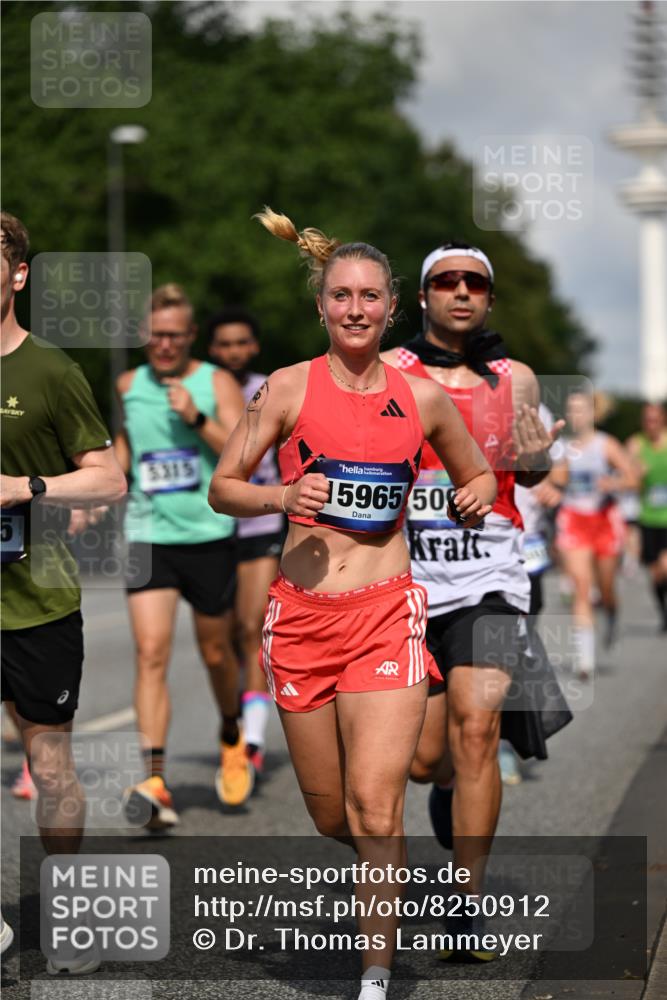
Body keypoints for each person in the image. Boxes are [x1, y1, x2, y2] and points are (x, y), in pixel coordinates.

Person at [208, 209, 497, 1000]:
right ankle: (390, 855)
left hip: (384, 610)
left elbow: (475, 474)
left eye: (370, 297)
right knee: (332, 817)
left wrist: (471, 497)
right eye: (341, 296)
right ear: (321, 306)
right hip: (300, 619)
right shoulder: (287, 389)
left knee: (376, 809)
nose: (356, 309)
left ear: (391, 307)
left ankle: (374, 976)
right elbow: (222, 487)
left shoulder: (423, 398)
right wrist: (280, 490)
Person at [383, 241, 565, 961]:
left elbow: (534, 465)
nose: (460, 292)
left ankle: (466, 901)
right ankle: (446, 789)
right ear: (422, 297)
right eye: (445, 281)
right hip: (406, 583)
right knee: (428, 760)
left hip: (490, 580)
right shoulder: (390, 372)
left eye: (474, 283)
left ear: (488, 298)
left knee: (477, 728)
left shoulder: (513, 377)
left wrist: (537, 455)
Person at [0, 211, 127, 972]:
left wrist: (26, 486)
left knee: (49, 769)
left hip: (37, 600)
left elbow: (107, 476)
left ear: (17, 274)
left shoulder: (51, 371)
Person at [114, 284, 248, 826]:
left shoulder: (214, 382)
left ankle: (231, 731)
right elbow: (127, 448)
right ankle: (154, 779)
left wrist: (195, 416)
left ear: (191, 337)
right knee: (150, 652)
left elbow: (242, 451)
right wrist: (105, 479)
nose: (163, 346)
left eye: (173, 336)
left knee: (217, 654)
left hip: (207, 535)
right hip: (148, 534)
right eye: (154, 337)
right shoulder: (128, 384)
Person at [208, 307, 284, 773]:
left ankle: (252, 744)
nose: (234, 351)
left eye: (242, 342)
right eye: (224, 344)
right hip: (213, 528)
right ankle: (232, 722)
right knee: (222, 643)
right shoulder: (201, 387)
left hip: (261, 524)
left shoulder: (271, 388)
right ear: (212, 349)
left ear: (254, 346)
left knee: (251, 626)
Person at [553, 390, 637, 676]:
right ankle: (584, 660)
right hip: (574, 519)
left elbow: (633, 478)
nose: (576, 414)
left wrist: (615, 484)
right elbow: (556, 482)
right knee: (582, 587)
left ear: (592, 413)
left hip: (604, 520)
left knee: (606, 587)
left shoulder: (606, 444)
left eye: (581, 409)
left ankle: (612, 612)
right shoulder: (563, 447)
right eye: (571, 409)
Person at [627, 402, 667, 631]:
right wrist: (636, 474)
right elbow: (626, 479)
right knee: (655, 573)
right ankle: (663, 611)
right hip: (648, 516)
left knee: (666, 566)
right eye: (647, 420)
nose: (651, 424)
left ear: (663, 420)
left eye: (655, 419)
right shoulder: (636, 444)